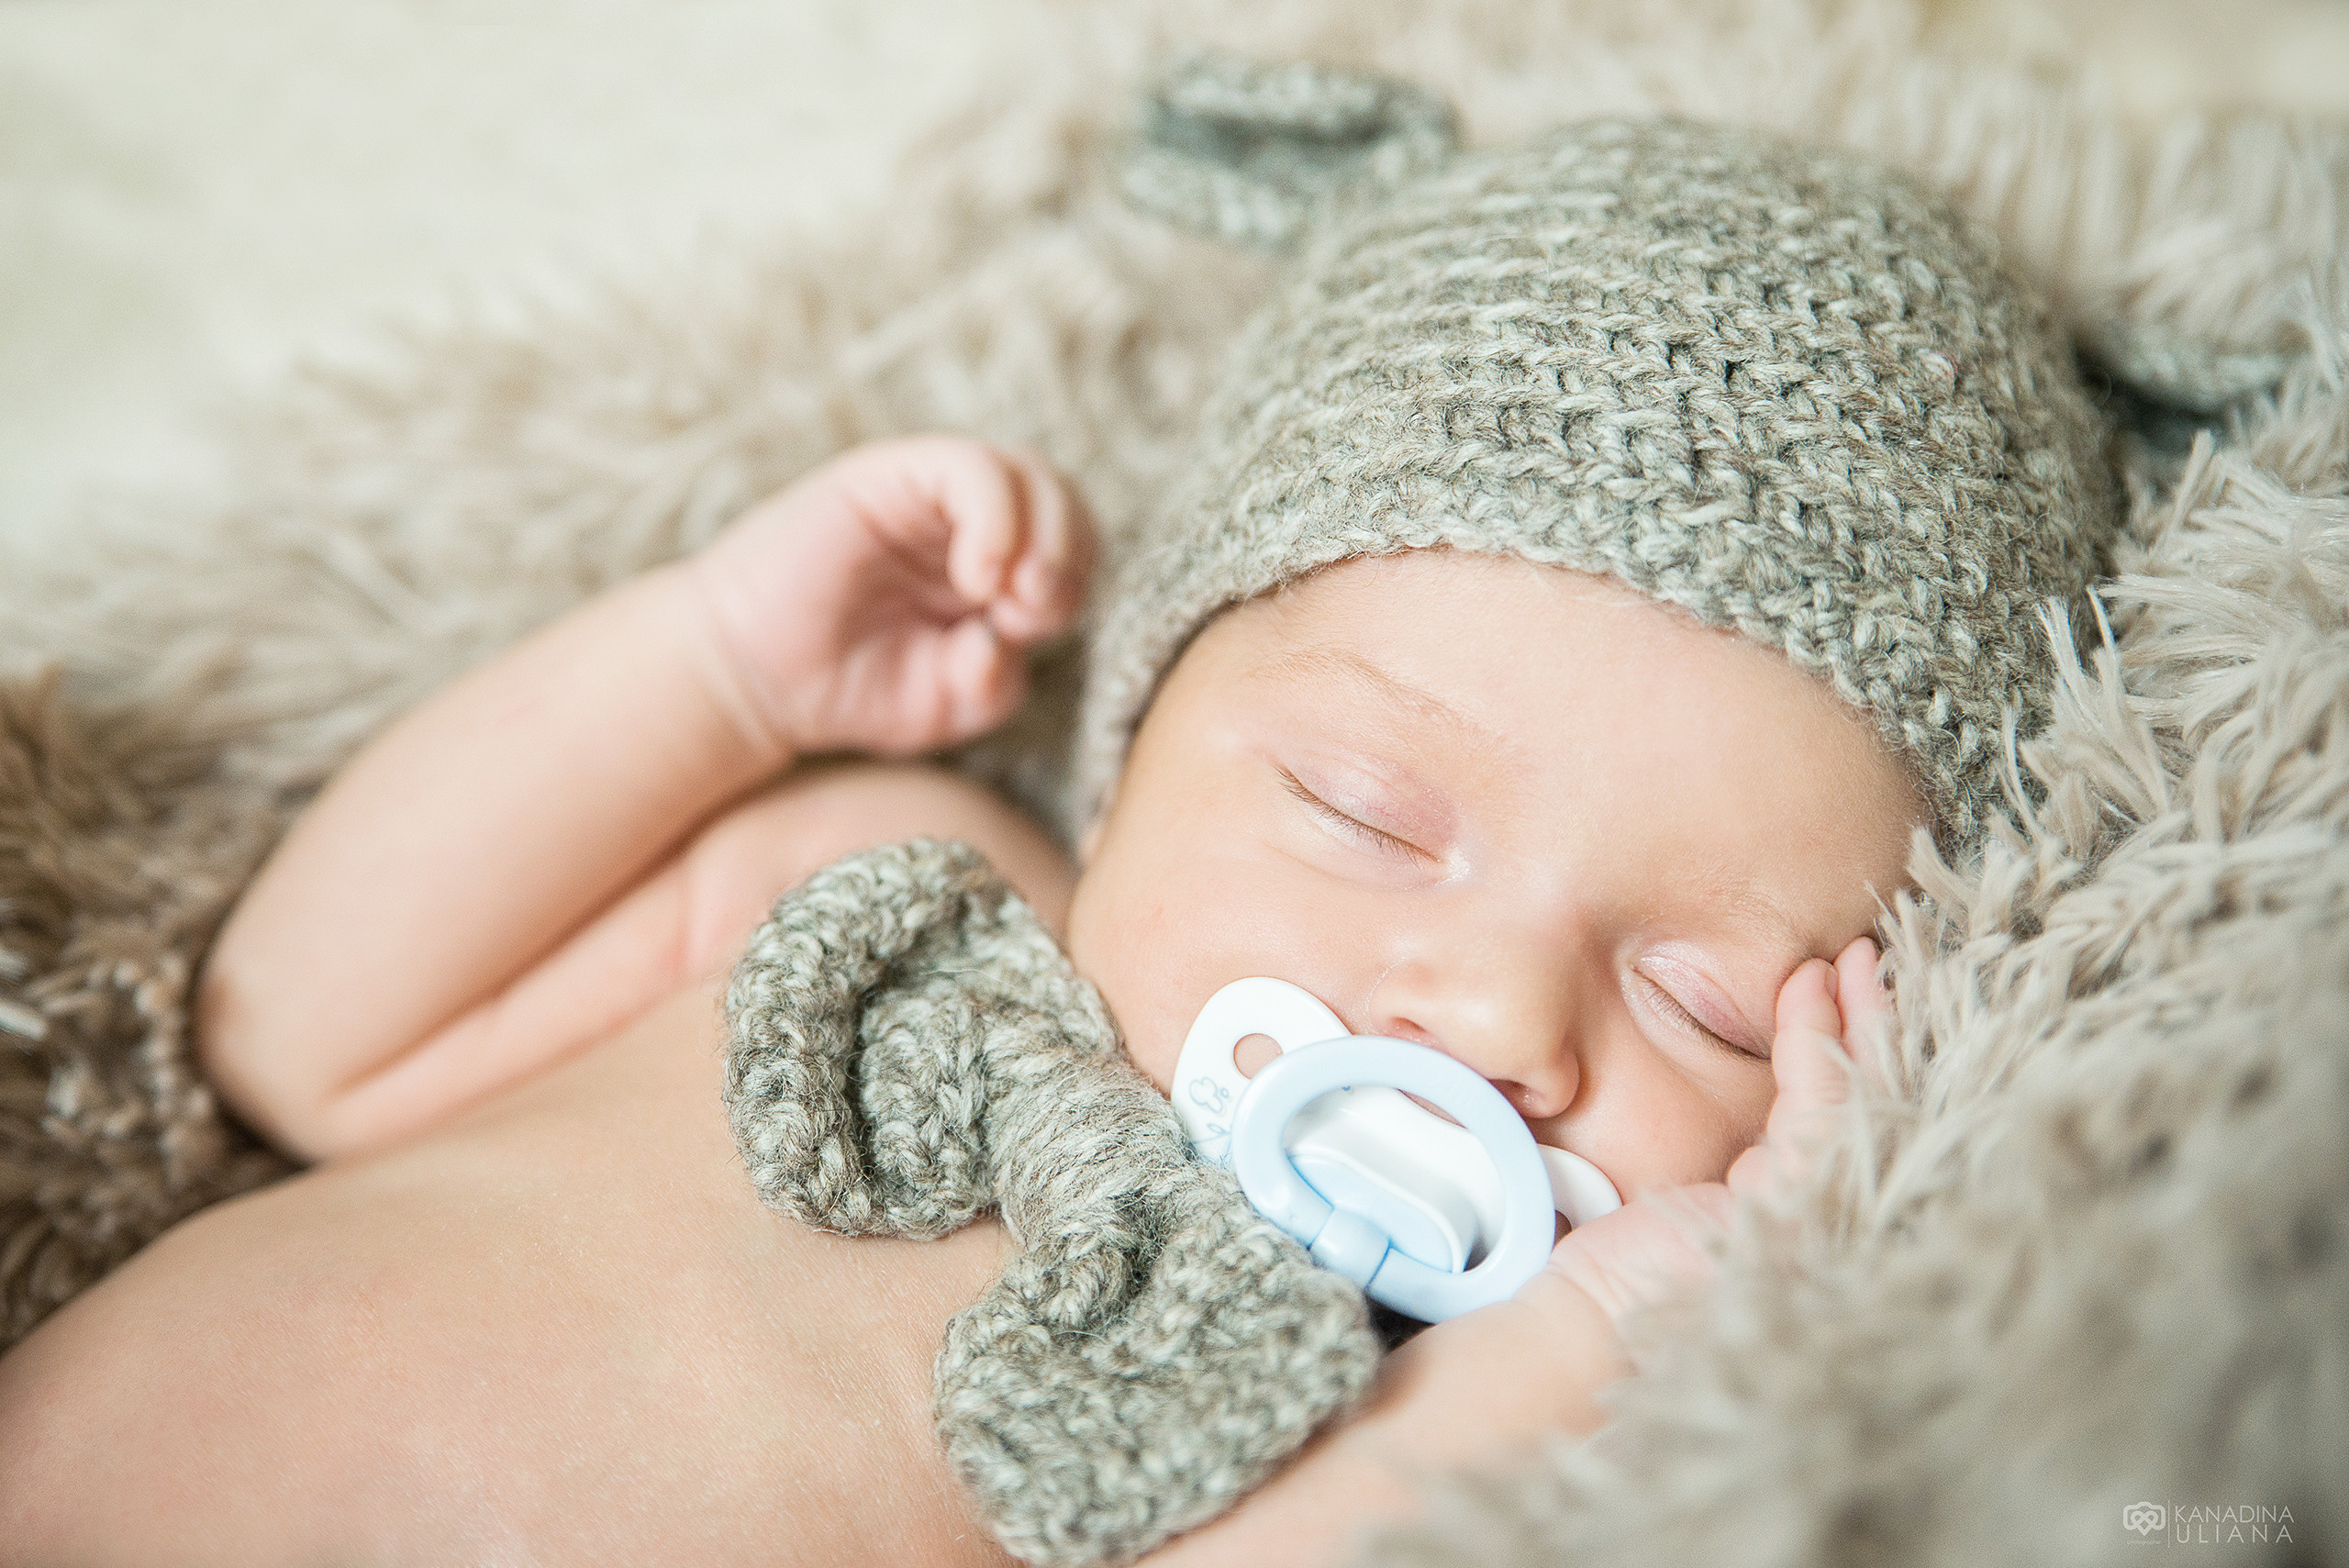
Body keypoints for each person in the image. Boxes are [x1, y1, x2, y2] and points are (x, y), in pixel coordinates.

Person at [0, 113, 2114, 1567]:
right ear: (1140, 736)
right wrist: (716, 677)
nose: (1482, 1013)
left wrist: (1630, 1317)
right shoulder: (889, 887)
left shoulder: (1411, 1386)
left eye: (1702, 999)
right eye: (1363, 814)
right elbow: (302, 1026)